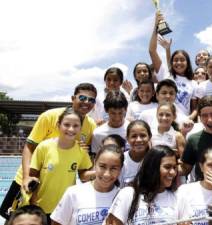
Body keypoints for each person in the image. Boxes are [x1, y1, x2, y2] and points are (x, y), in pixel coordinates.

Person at [0, 83, 97, 220]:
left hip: (57, 188)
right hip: (31, 180)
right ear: (73, 98)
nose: (87, 102)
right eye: (82, 97)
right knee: (13, 218)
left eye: (92, 100)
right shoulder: (49, 116)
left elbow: (81, 156)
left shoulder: (91, 125)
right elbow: (29, 147)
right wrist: (27, 177)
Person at [29, 107, 94, 219]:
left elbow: (83, 176)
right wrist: (33, 199)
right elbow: (33, 174)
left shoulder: (81, 150)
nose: (71, 129)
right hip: (42, 206)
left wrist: (100, 172)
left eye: (75, 126)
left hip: (66, 207)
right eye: (66, 124)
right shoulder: (44, 147)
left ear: (80, 128)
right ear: (58, 125)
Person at [50, 144, 123, 225]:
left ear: (121, 169)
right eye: (102, 166)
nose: (107, 174)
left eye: (114, 168)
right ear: (95, 163)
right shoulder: (73, 193)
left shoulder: (123, 198)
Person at [105, 145, 179, 225]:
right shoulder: (128, 194)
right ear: (152, 168)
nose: (173, 172)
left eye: (174, 168)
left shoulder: (177, 198)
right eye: (167, 167)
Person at [150, 12, 198, 120]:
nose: (179, 63)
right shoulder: (166, 75)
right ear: (171, 63)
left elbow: (194, 107)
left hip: (183, 123)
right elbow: (152, 51)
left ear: (188, 63)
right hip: (163, 119)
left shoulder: (193, 83)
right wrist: (155, 27)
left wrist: (190, 118)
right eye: (176, 60)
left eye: (182, 60)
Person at [119, 120, 152, 187]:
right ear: (127, 139)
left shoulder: (156, 159)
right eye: (134, 136)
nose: (139, 140)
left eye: (143, 135)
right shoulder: (120, 160)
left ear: (150, 136)